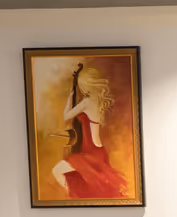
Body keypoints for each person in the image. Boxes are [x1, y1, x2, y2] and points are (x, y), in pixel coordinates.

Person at [50, 62, 134, 199]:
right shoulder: (98, 101)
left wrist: (70, 96)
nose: (81, 88)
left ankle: (76, 197)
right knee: (93, 186)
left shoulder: (87, 102)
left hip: (91, 152)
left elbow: (66, 116)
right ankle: (78, 197)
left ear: (85, 85)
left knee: (57, 171)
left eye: (81, 85)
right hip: (98, 151)